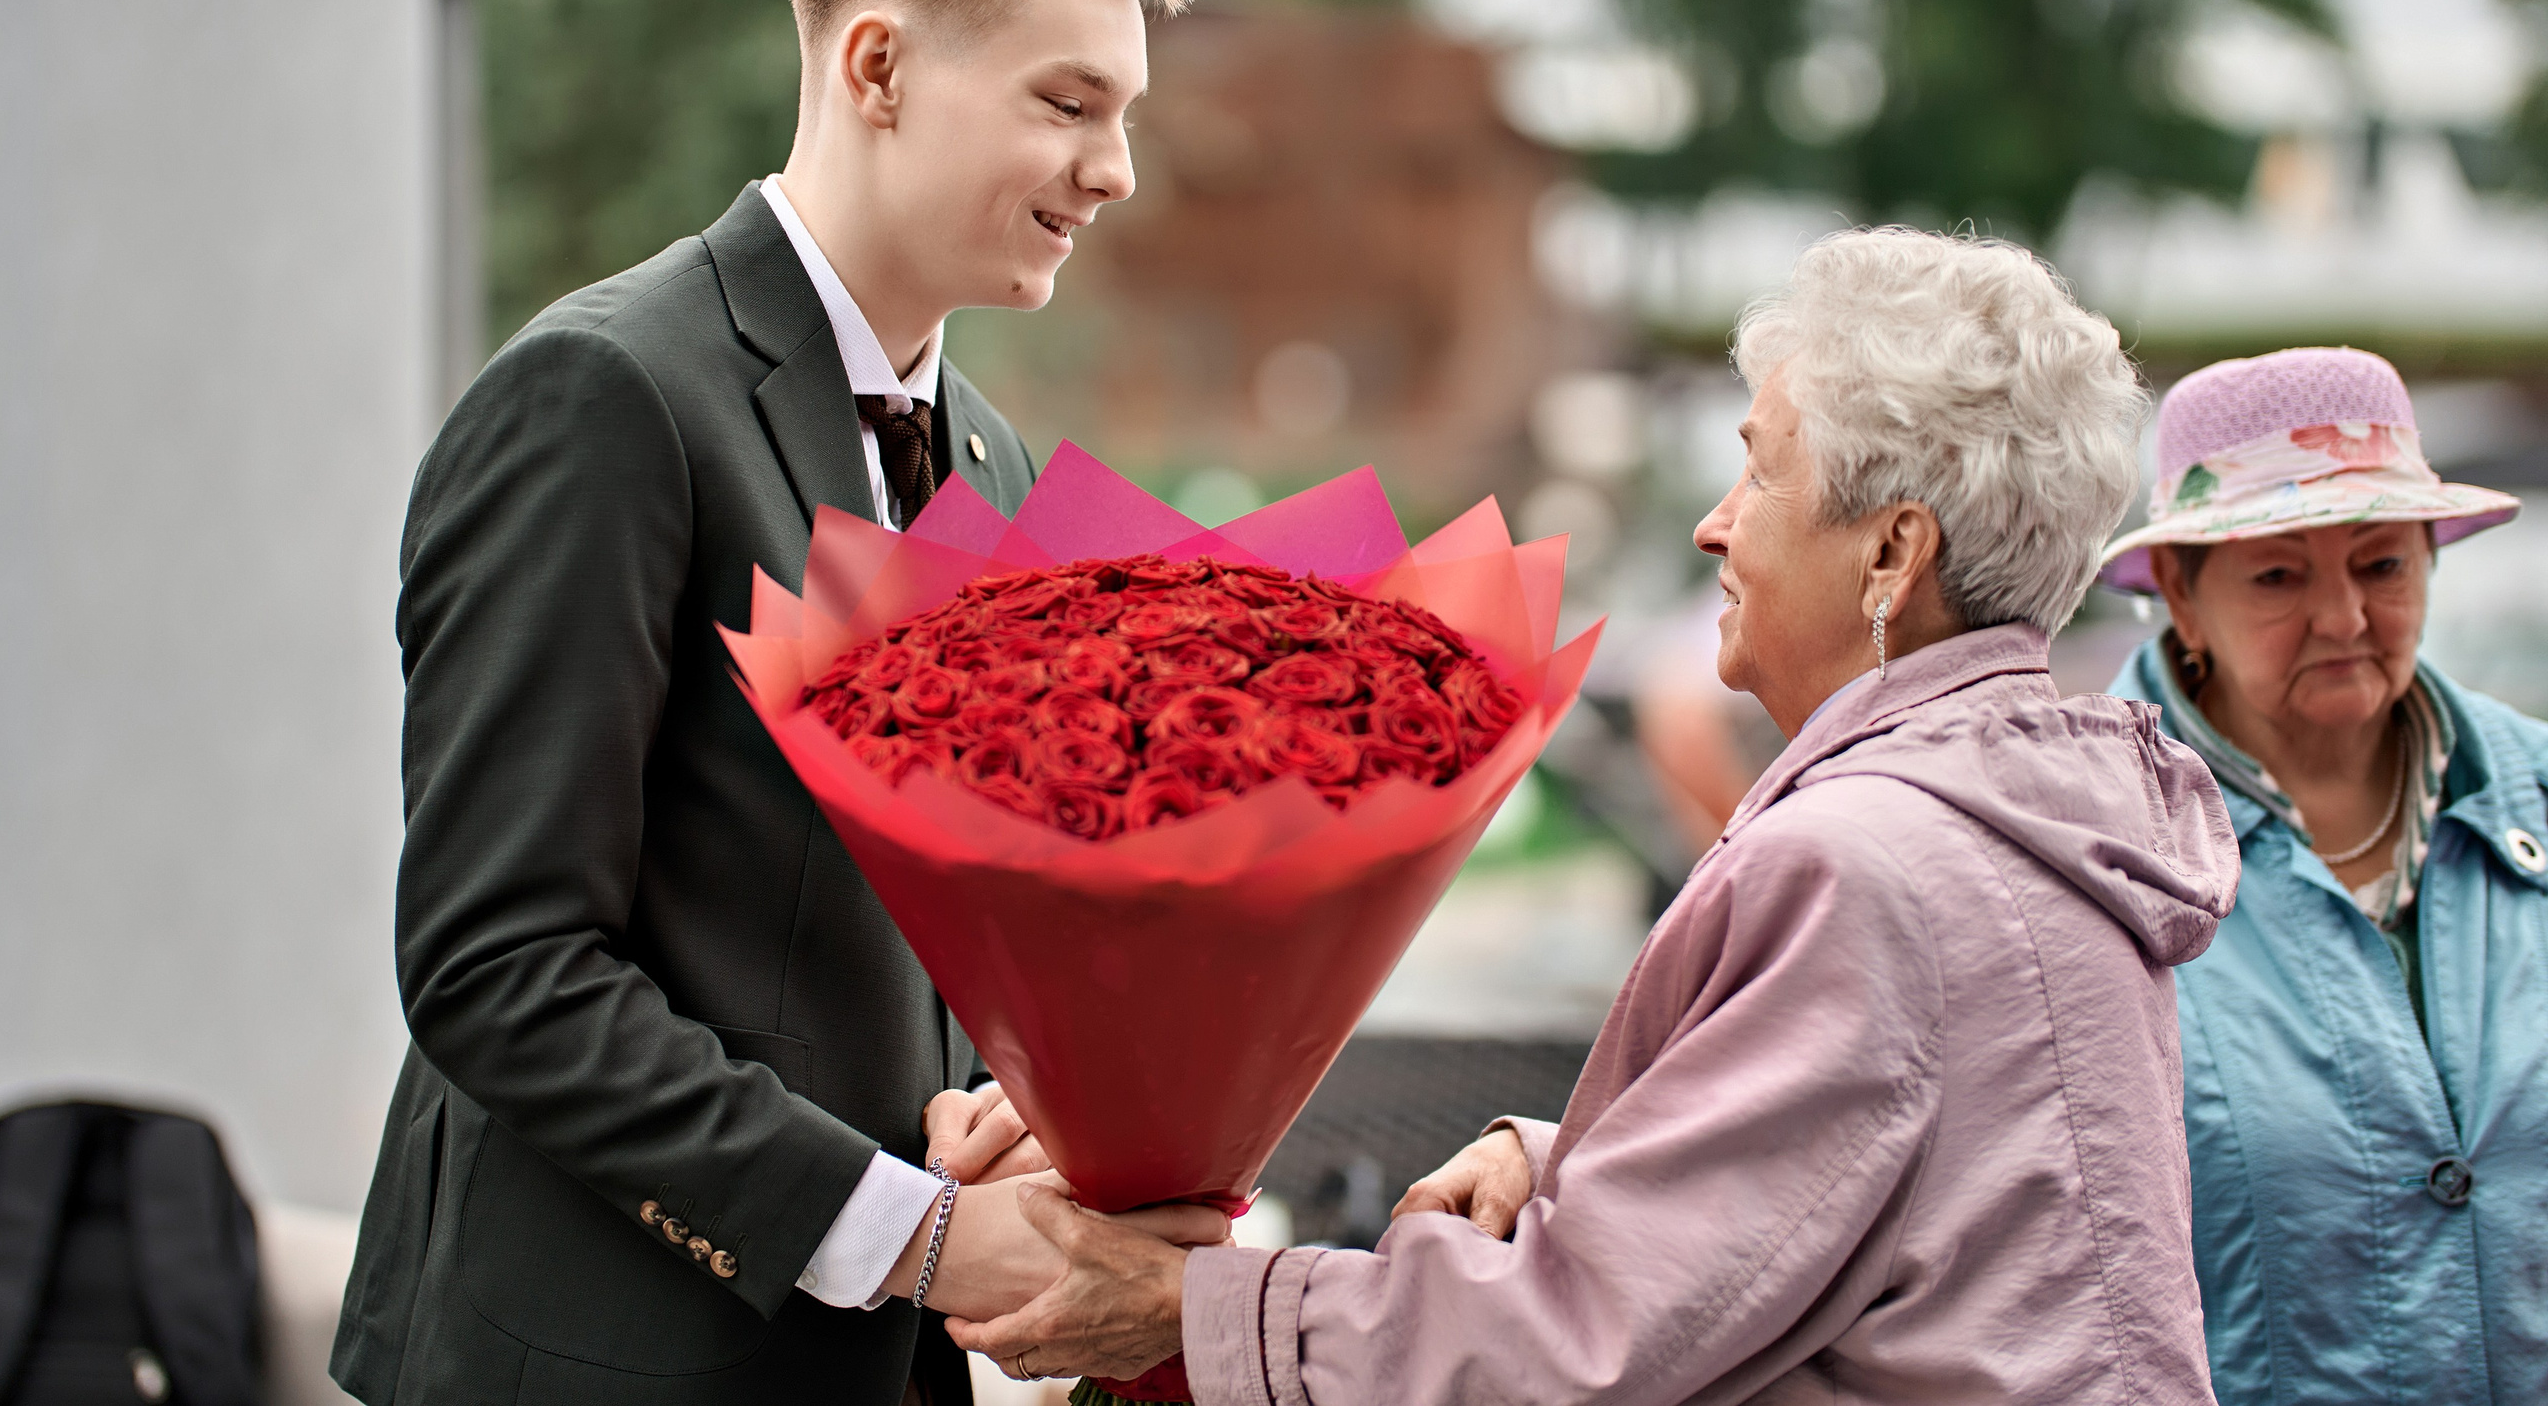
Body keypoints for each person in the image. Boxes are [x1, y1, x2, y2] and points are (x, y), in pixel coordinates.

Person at [948, 229, 2242, 1403]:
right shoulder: (2037, 822)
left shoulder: (1864, 866)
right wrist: (1577, 1160)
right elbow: (1920, 1197)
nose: (1711, 524)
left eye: (1759, 469)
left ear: (1892, 553)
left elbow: (1583, 1341)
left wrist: (1193, 1311)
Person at [328, 0, 1226, 1406]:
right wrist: (915, 1236)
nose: (1117, 168)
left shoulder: (1000, 463)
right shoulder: (602, 395)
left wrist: (997, 1103)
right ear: (876, 68)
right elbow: (497, 964)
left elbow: (905, 930)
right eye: (1069, 102)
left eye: (1127, 113)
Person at [2096, 347, 2547, 1401]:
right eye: (2278, 574)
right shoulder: (2092, 848)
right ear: (2179, 592)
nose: (2342, 617)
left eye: (2382, 563)